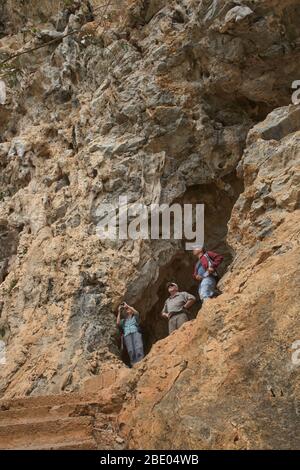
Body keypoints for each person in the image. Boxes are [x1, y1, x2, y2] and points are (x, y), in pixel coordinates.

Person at [117, 302, 144, 367]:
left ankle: (141, 362)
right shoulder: (123, 321)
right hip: (127, 335)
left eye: (129, 309)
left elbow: (136, 312)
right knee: (130, 350)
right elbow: (117, 323)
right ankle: (134, 364)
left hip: (135, 333)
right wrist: (119, 311)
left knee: (138, 347)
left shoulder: (135, 317)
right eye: (126, 309)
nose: (127, 309)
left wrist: (127, 306)